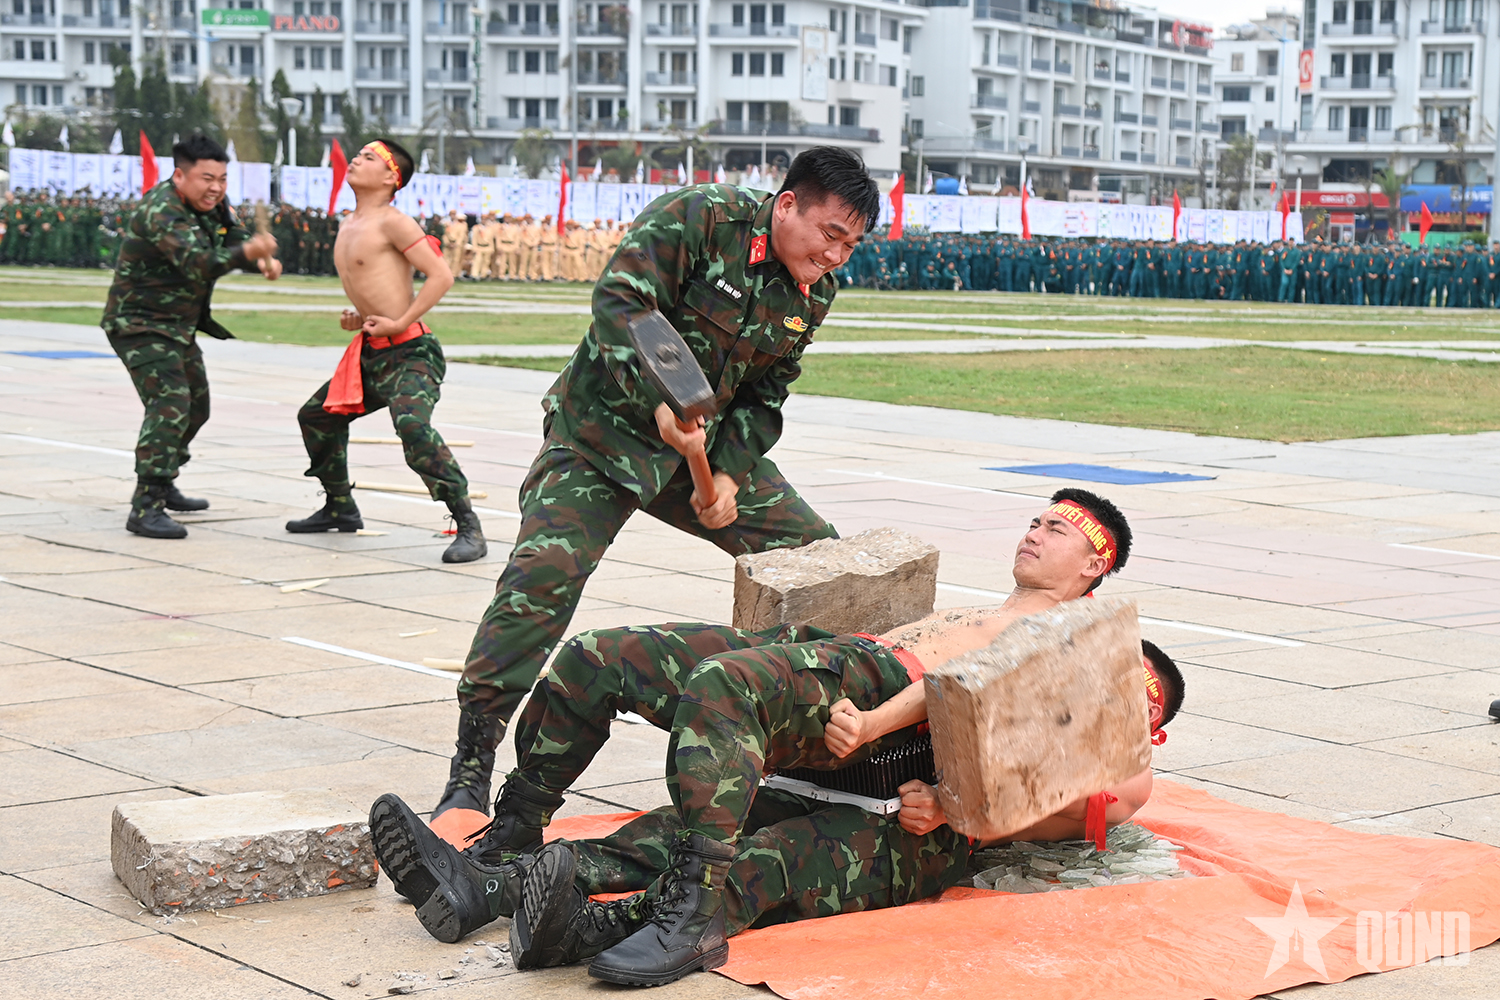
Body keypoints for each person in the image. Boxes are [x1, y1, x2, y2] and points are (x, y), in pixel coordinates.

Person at [369, 488, 1132, 945]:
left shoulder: (1062, 638)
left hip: (862, 691)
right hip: (827, 657)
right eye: (1035, 519)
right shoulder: (993, 609)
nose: (1034, 532)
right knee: (598, 657)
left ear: (1094, 564)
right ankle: (502, 850)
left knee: (720, 692)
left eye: (1056, 529)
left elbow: (986, 708)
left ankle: (679, 903)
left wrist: (914, 764)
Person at [429, 146, 881, 819]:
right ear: (788, 205)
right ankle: (472, 764)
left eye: (853, 245)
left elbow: (765, 395)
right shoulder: (701, 218)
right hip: (601, 437)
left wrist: (726, 473)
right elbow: (621, 302)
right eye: (830, 234)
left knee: (821, 565)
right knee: (543, 576)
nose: (837, 255)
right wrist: (657, 399)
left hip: (699, 452)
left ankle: (801, 735)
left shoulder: (814, 294)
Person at [284, 139, 487, 564]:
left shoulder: (394, 222)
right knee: (316, 416)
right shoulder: (349, 223)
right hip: (371, 352)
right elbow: (375, 289)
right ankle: (340, 506)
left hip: (412, 350)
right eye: (358, 154)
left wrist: (399, 319)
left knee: (412, 427)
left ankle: (467, 523)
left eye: (368, 157)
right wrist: (360, 316)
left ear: (392, 177)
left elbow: (440, 276)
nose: (356, 160)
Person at [100, 134, 282, 539]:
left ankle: (163, 483)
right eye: (205, 178)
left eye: (221, 178)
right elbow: (197, 262)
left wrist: (261, 259)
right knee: (170, 403)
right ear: (179, 175)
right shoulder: (160, 210)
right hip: (139, 324)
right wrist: (248, 253)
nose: (215, 187)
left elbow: (232, 238)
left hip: (177, 327)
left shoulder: (213, 206)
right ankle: (145, 506)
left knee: (197, 407)